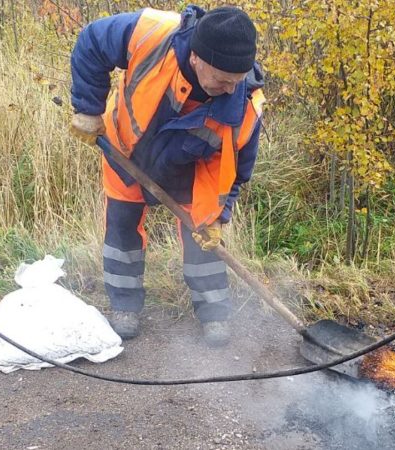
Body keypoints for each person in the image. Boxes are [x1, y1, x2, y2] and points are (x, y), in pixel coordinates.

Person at [68, 5, 265, 347]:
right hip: (125, 149)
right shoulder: (153, 33)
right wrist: (88, 108)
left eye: (237, 81)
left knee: (203, 237)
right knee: (122, 228)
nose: (232, 89)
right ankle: (124, 307)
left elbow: (236, 173)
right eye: (222, 80)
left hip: (189, 166)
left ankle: (214, 315)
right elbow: (92, 42)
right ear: (198, 59)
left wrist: (220, 215)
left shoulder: (245, 101)